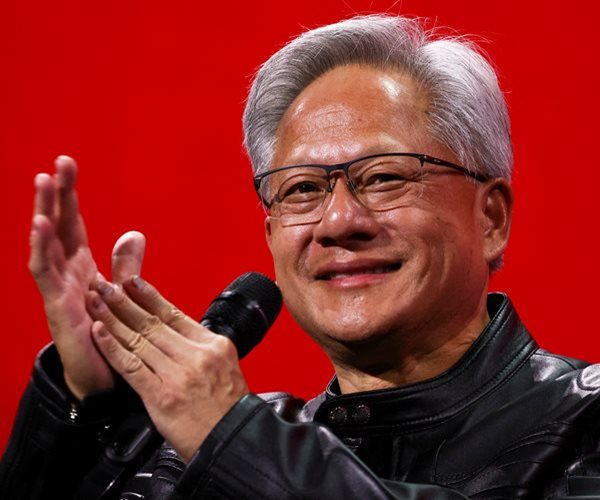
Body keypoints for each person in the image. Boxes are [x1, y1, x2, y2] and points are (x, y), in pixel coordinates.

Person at [2, 14, 600, 499]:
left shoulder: (583, 424)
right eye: (303, 189)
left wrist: (234, 440)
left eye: (385, 177)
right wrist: (86, 408)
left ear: (490, 217)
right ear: (271, 236)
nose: (338, 222)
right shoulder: (190, 456)